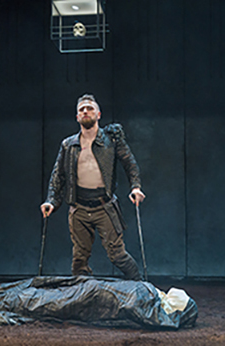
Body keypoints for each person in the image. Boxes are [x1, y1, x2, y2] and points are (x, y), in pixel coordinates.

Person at [40, 94, 146, 280]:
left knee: (117, 255)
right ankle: (81, 299)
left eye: (89, 108)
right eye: (81, 109)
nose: (85, 111)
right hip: (79, 208)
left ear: (98, 114)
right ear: (77, 117)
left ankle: (142, 287)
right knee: (79, 258)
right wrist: (51, 201)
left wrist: (135, 187)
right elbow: (58, 175)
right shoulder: (68, 145)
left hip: (104, 206)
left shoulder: (111, 140)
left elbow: (130, 163)